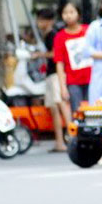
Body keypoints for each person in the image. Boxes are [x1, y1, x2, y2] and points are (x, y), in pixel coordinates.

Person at [34, 8, 67, 151]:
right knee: (54, 109)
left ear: (49, 21)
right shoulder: (46, 35)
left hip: (55, 74)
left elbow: (55, 54)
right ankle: (59, 141)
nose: (39, 23)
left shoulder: (53, 35)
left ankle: (70, 136)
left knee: (60, 105)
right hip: (50, 74)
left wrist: (39, 54)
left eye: (42, 20)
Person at [53, 3, 91, 114]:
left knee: (93, 110)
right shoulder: (60, 37)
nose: (68, 16)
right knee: (77, 112)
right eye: (65, 13)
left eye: (71, 12)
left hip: (91, 78)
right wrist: (63, 87)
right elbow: (59, 63)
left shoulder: (88, 31)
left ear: (78, 14)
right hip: (73, 81)